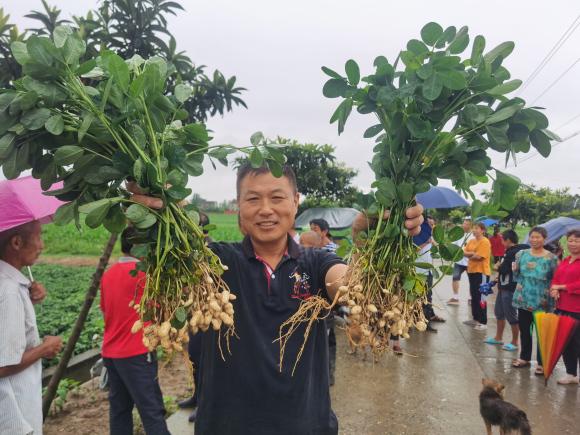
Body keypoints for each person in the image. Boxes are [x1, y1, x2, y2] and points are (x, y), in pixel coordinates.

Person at [130, 163, 423, 434]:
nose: (266, 209)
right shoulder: (214, 262)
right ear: (238, 206)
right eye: (253, 199)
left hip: (306, 425)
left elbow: (352, 286)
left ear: (296, 201)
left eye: (277, 198)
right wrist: (160, 210)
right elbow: (174, 262)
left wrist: (367, 239)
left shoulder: (317, 262)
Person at [100, 227, 170, 435]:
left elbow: (105, 312)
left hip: (111, 353)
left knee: (120, 410)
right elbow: (160, 313)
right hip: (137, 354)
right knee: (151, 410)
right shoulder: (145, 275)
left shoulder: (108, 274)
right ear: (139, 247)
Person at [0, 221, 63, 435]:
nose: (42, 246)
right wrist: (44, 349)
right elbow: (2, 366)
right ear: (16, 242)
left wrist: (26, 300)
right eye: (39, 236)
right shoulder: (8, 290)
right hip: (14, 416)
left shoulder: (9, 283)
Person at [178, 212, 212, 422]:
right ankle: (196, 396)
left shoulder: (211, 250)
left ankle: (206, 404)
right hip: (193, 313)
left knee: (206, 359)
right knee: (194, 357)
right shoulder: (187, 248)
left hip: (207, 316)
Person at [511, 227, 558, 373]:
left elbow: (556, 279)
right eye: (532, 237)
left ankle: (541, 363)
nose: (534, 240)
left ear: (544, 239)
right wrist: (514, 271)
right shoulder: (521, 254)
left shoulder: (551, 258)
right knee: (525, 330)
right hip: (523, 297)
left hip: (542, 300)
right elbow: (517, 275)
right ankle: (524, 358)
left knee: (542, 332)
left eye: (538, 237)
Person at [484, 230, 528, 351]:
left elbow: (507, 269)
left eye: (503, 239)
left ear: (508, 240)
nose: (501, 241)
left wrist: (497, 267)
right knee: (499, 313)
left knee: (511, 315)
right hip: (503, 287)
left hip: (510, 288)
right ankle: (498, 338)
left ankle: (514, 342)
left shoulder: (514, 253)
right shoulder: (508, 252)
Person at [549, 228, 580, 385]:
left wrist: (562, 287)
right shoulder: (566, 260)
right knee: (566, 341)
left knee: (578, 342)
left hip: (577, 309)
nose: (573, 243)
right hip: (563, 307)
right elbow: (556, 278)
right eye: (570, 240)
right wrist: (554, 289)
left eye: (577, 240)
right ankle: (571, 373)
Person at [464, 222, 492, 330]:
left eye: (477, 228)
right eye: (473, 228)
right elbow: (463, 252)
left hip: (482, 272)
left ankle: (483, 321)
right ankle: (475, 318)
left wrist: (470, 254)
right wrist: (472, 253)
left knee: (481, 297)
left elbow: (479, 257)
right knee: (474, 296)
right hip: (472, 271)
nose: (474, 230)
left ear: (482, 230)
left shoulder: (485, 241)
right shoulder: (471, 240)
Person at [448, 218, 473, 305]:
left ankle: (471, 298)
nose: (464, 225)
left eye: (466, 224)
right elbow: (453, 245)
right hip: (459, 261)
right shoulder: (459, 234)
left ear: (471, 225)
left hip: (470, 262)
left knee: (472, 281)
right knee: (455, 278)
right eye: (464, 223)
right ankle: (455, 297)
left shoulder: (473, 235)